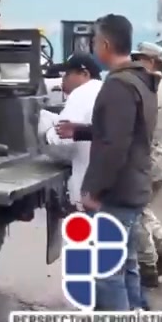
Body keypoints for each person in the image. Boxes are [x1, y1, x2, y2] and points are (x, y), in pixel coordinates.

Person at [56, 14, 158, 322]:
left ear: (105, 45)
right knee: (126, 267)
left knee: (108, 272)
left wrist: (93, 190)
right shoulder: (141, 79)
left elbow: (116, 144)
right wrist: (82, 131)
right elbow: (119, 131)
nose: (93, 47)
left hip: (118, 190)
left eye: (95, 41)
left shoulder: (117, 85)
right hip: (132, 186)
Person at [131, 42, 162, 288]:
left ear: (152, 61)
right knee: (142, 209)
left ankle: (148, 265)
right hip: (160, 160)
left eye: (139, 59)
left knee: (135, 212)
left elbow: (144, 130)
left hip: (148, 160)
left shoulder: (150, 89)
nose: (135, 63)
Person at [38, 54, 103, 209]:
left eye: (67, 74)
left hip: (90, 188)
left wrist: (44, 132)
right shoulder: (104, 89)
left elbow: (61, 138)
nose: (63, 79)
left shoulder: (82, 92)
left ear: (84, 74)